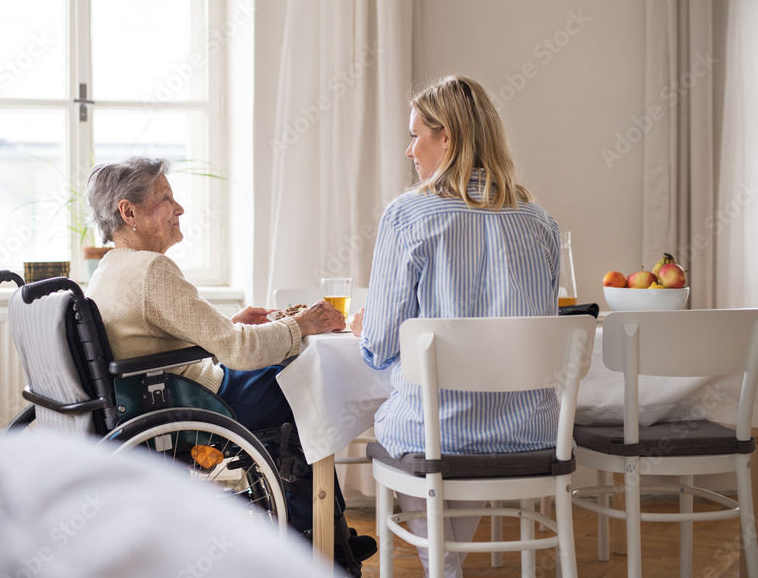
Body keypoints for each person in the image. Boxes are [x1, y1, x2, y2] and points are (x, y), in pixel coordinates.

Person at [82, 156, 376, 573]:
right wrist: (303, 323)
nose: (179, 208)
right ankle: (324, 550)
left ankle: (329, 538)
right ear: (129, 212)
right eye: (166, 198)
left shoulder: (111, 269)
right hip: (196, 403)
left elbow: (157, 338)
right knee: (308, 387)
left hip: (170, 393)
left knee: (292, 381)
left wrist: (232, 326)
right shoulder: (151, 270)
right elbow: (239, 350)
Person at [352, 75, 561, 577]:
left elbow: (379, 346)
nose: (409, 150)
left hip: (439, 436)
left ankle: (442, 567)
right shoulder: (541, 222)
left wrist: (372, 325)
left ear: (446, 138)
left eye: (415, 135)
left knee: (413, 420)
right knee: (448, 421)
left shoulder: (409, 215)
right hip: (531, 433)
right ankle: (447, 564)